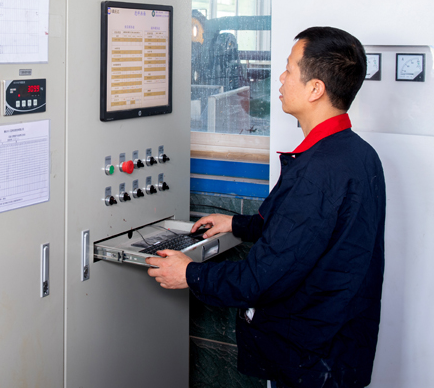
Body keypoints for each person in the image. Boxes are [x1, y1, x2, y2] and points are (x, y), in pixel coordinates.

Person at [147, 26, 386, 388]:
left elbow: (261, 279)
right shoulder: (357, 154)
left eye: (289, 69)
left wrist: (189, 274)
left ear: (315, 88)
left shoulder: (318, 171)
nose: (281, 78)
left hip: (310, 360)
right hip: (339, 349)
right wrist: (238, 224)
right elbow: (316, 232)